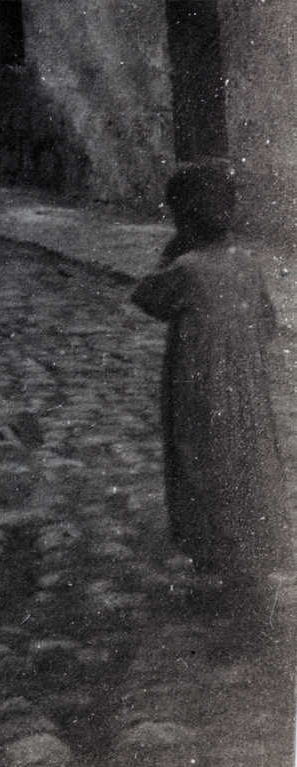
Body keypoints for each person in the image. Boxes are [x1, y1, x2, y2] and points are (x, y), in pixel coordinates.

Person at [132, 164, 290, 589]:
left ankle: (214, 550)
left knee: (202, 459)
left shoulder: (186, 268)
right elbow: (267, 322)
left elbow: (147, 296)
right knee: (247, 458)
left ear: (183, 219)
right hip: (246, 387)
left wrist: (171, 251)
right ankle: (252, 549)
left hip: (197, 384)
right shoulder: (248, 265)